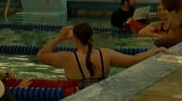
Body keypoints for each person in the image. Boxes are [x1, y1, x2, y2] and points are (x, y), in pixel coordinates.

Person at [36, 23, 167, 86]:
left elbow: (40, 55)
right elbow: (133, 60)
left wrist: (59, 38)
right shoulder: (105, 54)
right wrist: (155, 50)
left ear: (74, 38)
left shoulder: (67, 58)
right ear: (91, 37)